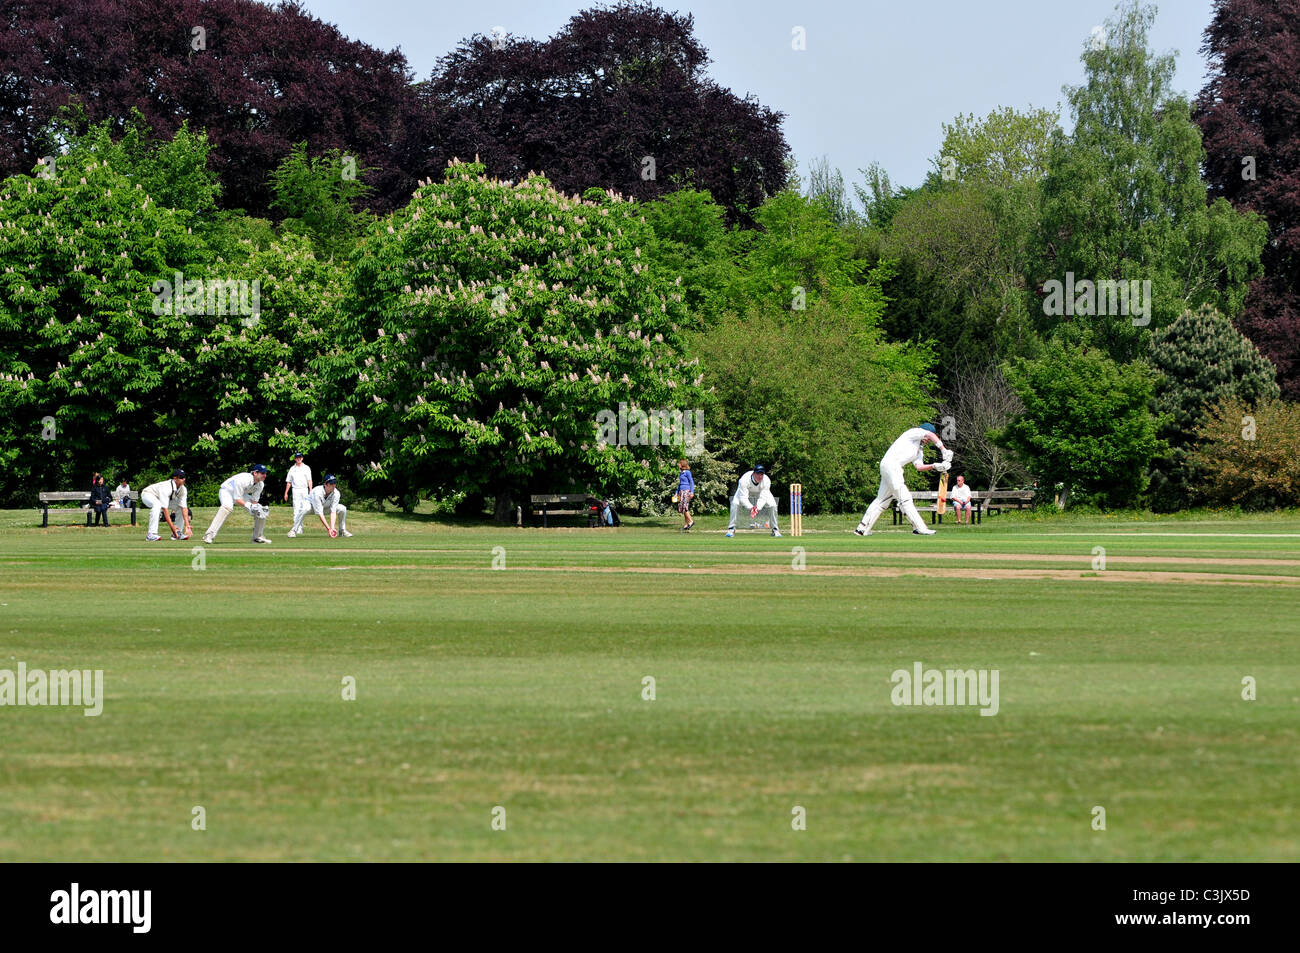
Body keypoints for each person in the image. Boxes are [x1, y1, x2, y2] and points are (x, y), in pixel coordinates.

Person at [855, 423, 952, 537]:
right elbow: (930, 434)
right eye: (927, 438)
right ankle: (919, 528)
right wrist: (943, 450)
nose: (927, 440)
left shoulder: (918, 449)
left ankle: (862, 529)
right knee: (905, 498)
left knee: (882, 501)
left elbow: (919, 467)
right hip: (892, 466)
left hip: (889, 466)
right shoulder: (913, 432)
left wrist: (935, 466)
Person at [203, 465, 272, 544]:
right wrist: (249, 506)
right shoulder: (244, 479)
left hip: (241, 494)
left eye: (265, 473)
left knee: (260, 511)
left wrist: (255, 508)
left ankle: (257, 538)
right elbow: (237, 499)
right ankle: (209, 535)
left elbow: (254, 501)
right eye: (263, 473)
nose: (265, 475)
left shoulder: (260, 484)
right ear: (255, 473)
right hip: (227, 491)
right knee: (227, 508)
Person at [726, 465, 780, 538]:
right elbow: (743, 497)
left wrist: (757, 508)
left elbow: (763, 497)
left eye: (762, 474)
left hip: (760, 492)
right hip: (744, 492)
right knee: (735, 503)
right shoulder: (744, 480)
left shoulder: (766, 481)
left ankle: (775, 530)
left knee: (773, 505)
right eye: (758, 474)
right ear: (753, 473)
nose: (760, 476)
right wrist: (752, 508)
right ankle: (731, 529)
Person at [140, 470, 191, 541]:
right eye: (181, 477)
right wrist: (172, 527)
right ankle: (151, 534)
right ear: (175, 478)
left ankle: (177, 533)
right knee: (157, 504)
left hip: (162, 498)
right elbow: (164, 509)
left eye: (184, 477)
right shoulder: (166, 487)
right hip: (148, 494)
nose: (184, 479)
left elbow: (184, 508)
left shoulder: (183, 489)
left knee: (179, 507)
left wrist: (187, 525)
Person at [284, 451, 314, 538]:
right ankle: (296, 528)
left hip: (304, 490)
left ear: (302, 458)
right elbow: (289, 482)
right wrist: (286, 493)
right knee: (296, 509)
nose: (298, 459)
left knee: (304, 508)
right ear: (295, 459)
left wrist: (310, 491)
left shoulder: (306, 468)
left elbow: (309, 480)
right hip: (295, 490)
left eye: (300, 457)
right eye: (297, 458)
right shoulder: (292, 469)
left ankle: (300, 527)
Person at [675, 458, 695, 532]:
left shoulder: (687, 472)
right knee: (682, 508)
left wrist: (692, 492)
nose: (678, 464)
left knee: (684, 507)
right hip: (681, 491)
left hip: (686, 491)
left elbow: (691, 482)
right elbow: (680, 484)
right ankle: (686, 524)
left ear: (682, 464)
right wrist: (676, 493)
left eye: (679, 463)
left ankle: (691, 521)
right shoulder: (681, 473)